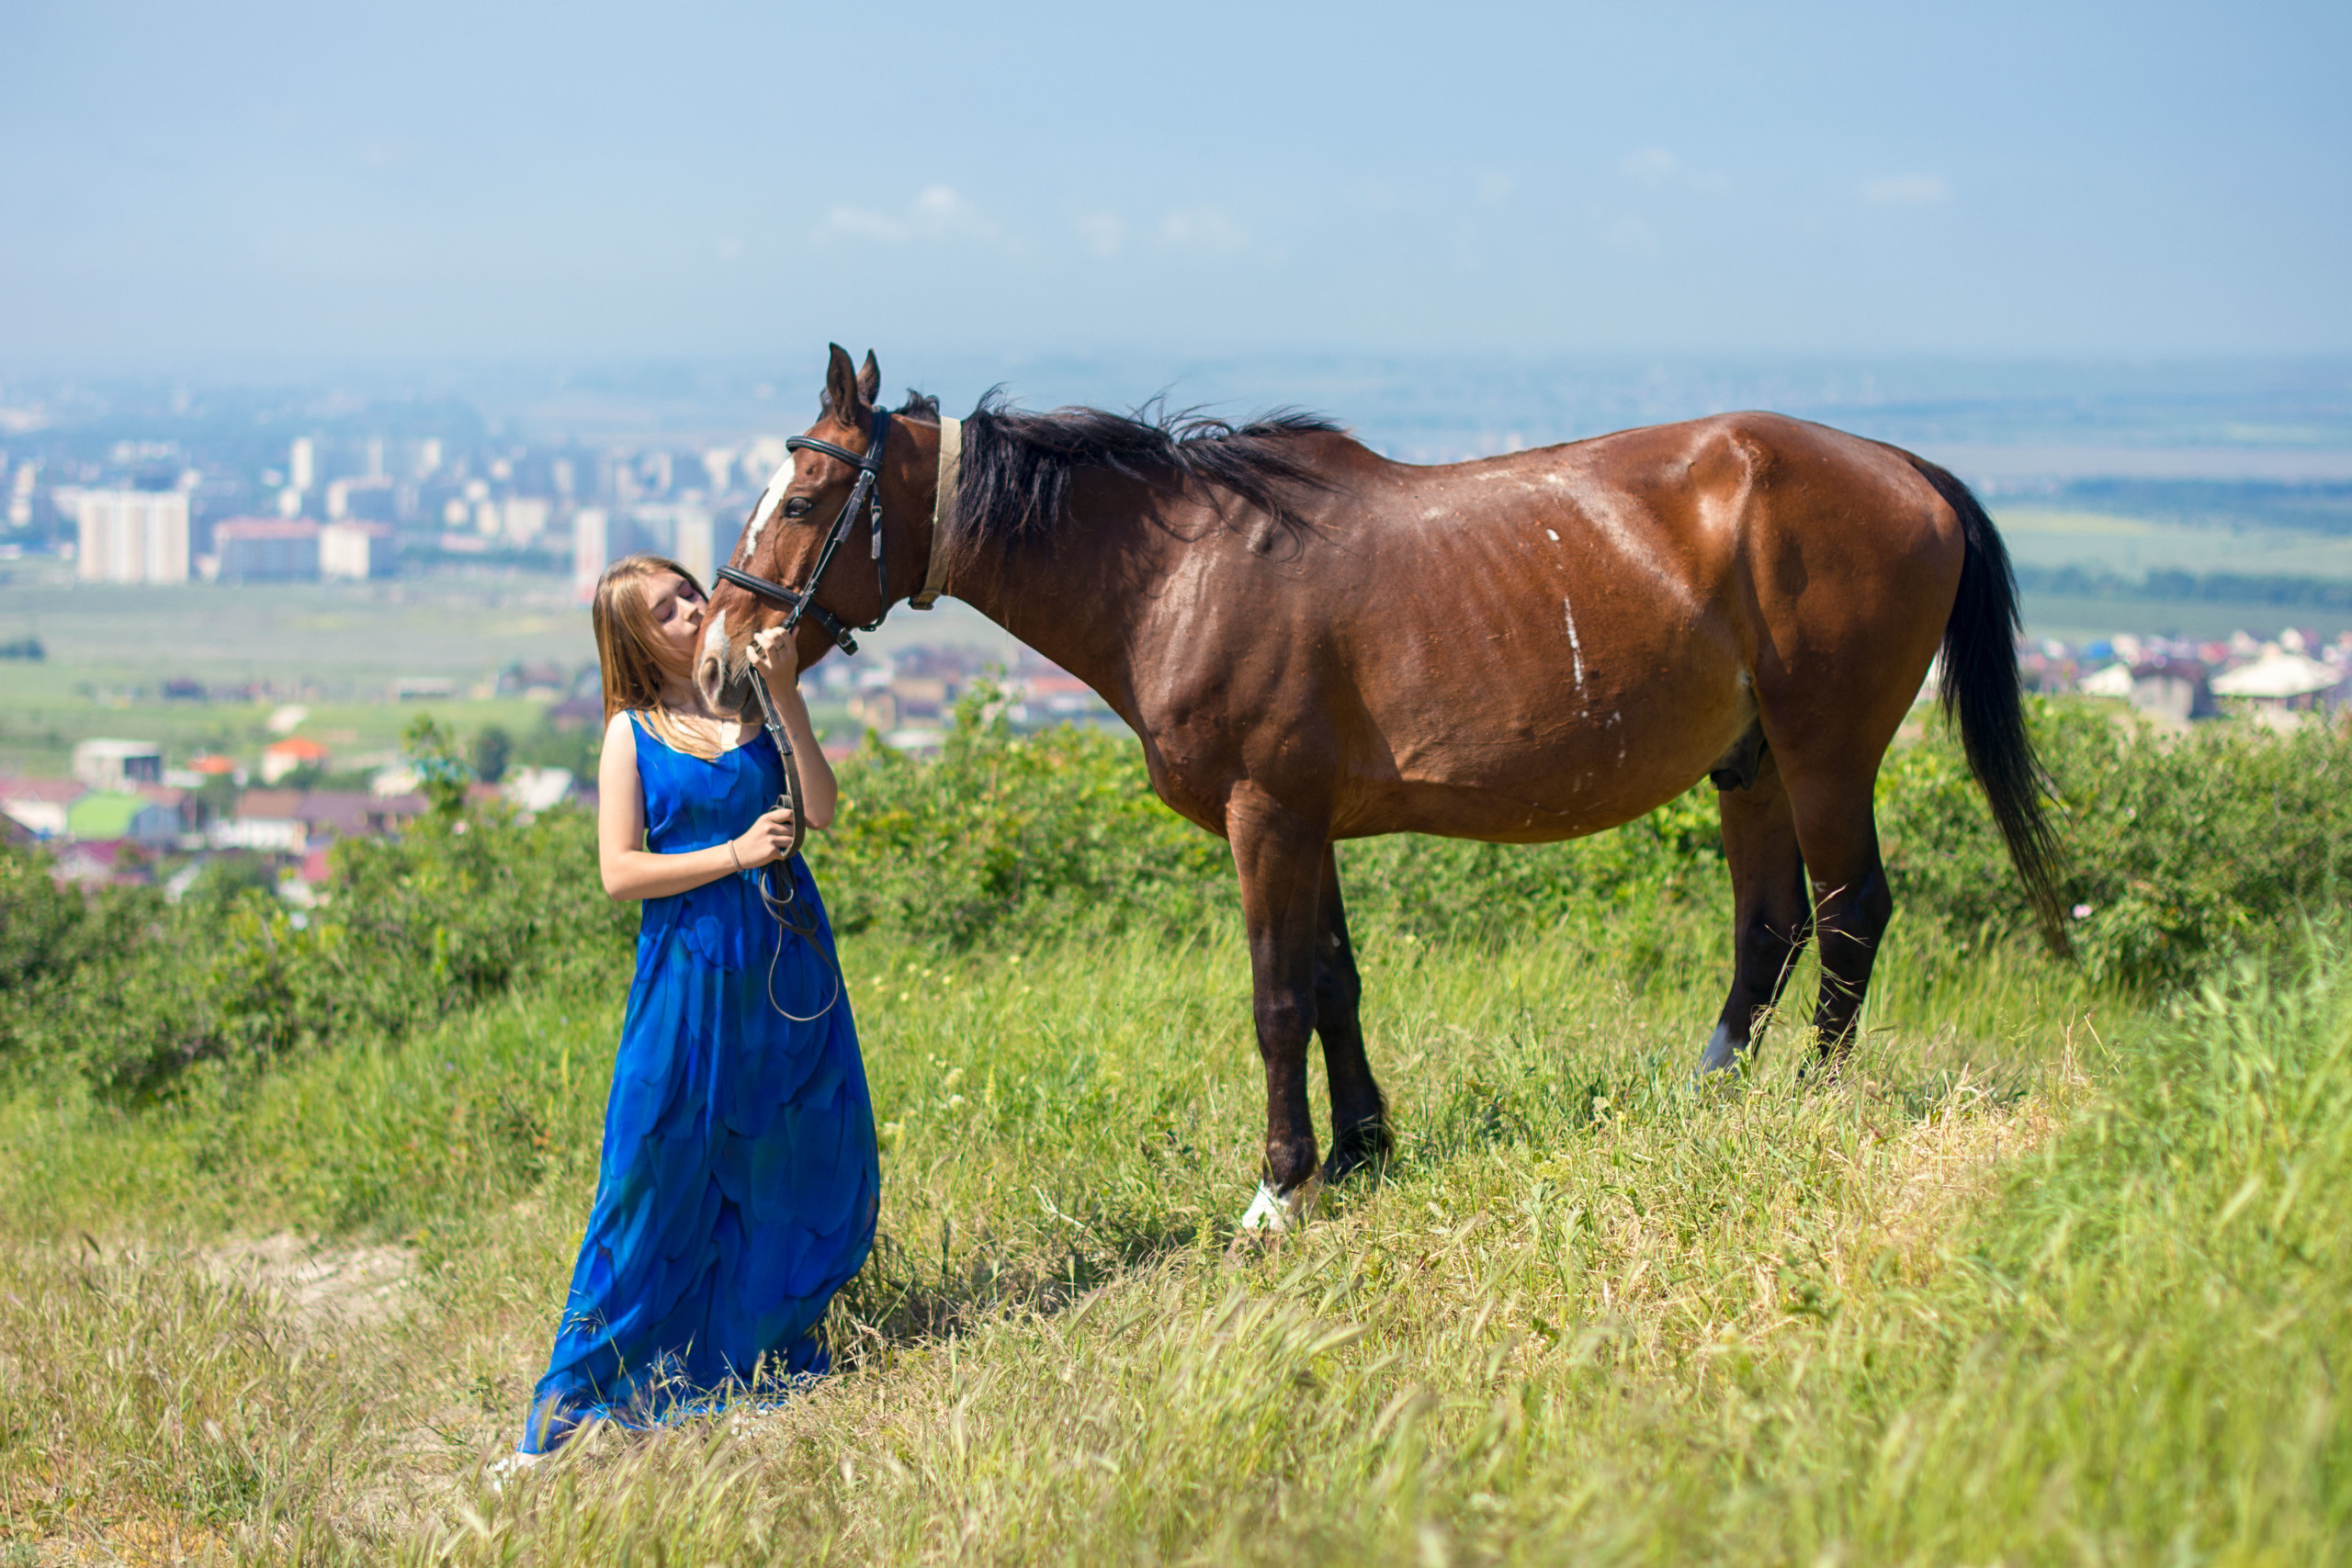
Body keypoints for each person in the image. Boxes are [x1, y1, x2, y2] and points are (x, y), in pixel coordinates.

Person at [497, 552, 877, 1477]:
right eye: (666, 608)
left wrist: (787, 695)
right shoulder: (630, 733)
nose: (693, 608)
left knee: (794, 1157)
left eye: (688, 591)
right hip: (687, 973)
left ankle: (746, 1356)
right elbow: (618, 872)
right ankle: (567, 1408)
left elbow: (822, 809)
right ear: (635, 640)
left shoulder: (752, 706)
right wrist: (738, 851)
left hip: (786, 966)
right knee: (648, 1173)